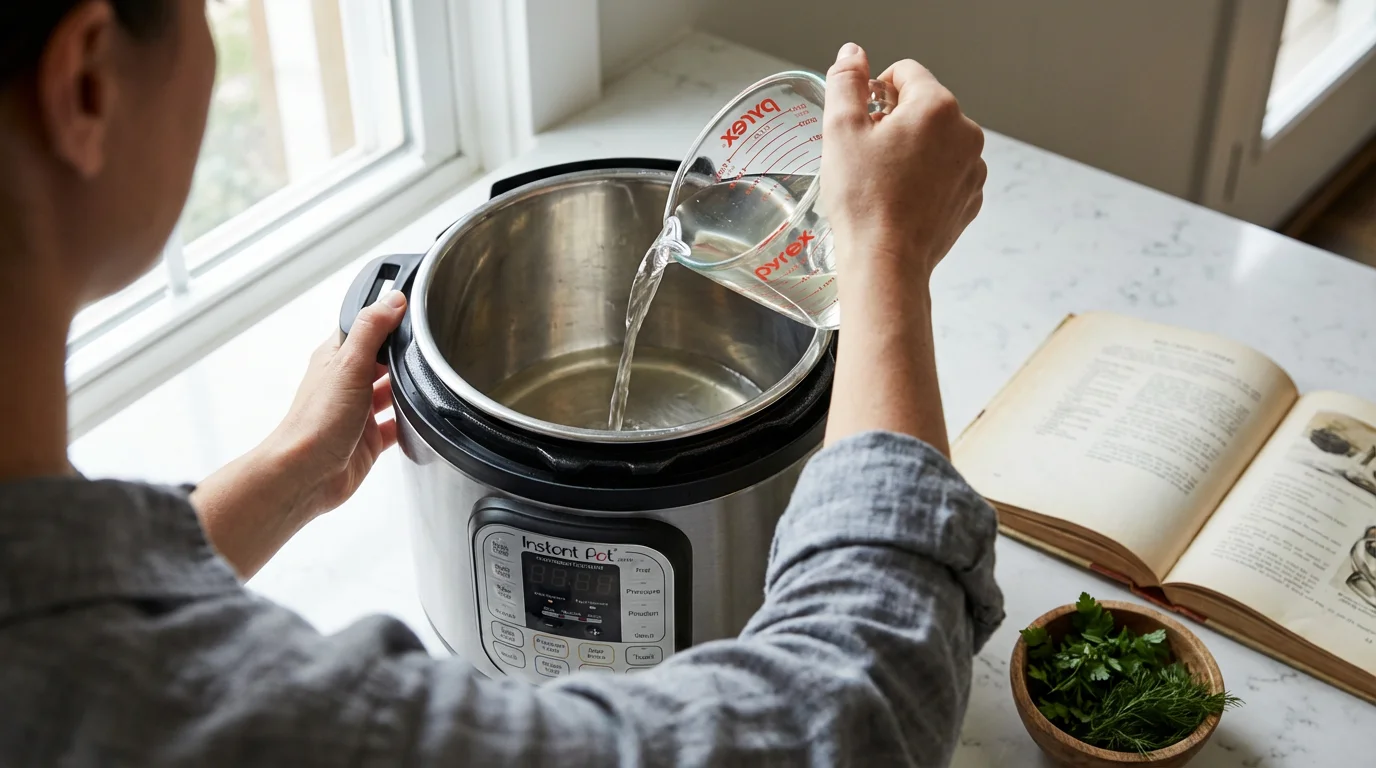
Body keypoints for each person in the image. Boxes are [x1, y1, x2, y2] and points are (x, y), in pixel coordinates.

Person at [0, 2, 999, 766]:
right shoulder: (249, 719)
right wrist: (884, 256)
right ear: (88, 81)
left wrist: (275, 481)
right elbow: (862, 700)